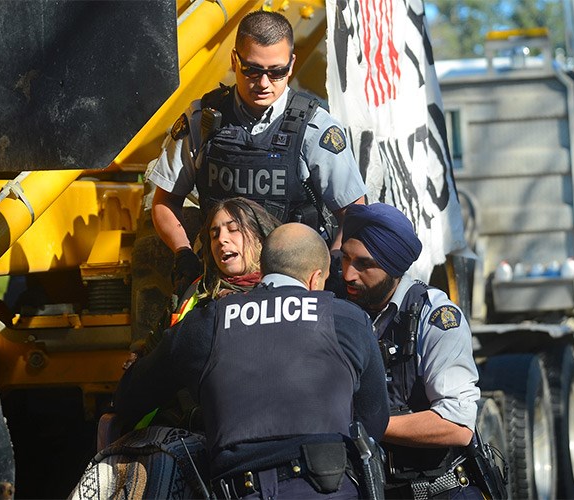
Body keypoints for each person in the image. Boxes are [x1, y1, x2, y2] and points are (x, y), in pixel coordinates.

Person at [114, 223, 389, 498]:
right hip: (331, 486)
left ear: (264, 268)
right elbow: (373, 421)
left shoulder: (206, 323)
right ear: (315, 279)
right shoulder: (349, 320)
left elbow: (131, 396)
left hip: (243, 489)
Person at [147, 9, 367, 298]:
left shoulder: (315, 128)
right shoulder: (203, 120)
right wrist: (183, 253)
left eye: (276, 72)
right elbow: (165, 201)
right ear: (234, 60)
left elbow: (354, 211)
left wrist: (332, 265)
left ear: (291, 65)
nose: (264, 83)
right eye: (252, 69)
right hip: (219, 286)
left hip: (294, 289)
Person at [340, 203, 483, 499]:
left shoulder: (436, 318)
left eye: (364, 264)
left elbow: (457, 425)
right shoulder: (339, 308)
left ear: (394, 267)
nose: (349, 275)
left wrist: (363, 426)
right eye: (345, 259)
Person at [170, 197, 282, 326]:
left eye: (233, 229)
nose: (222, 239)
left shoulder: (287, 294)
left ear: (260, 238)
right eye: (214, 235)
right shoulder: (195, 292)